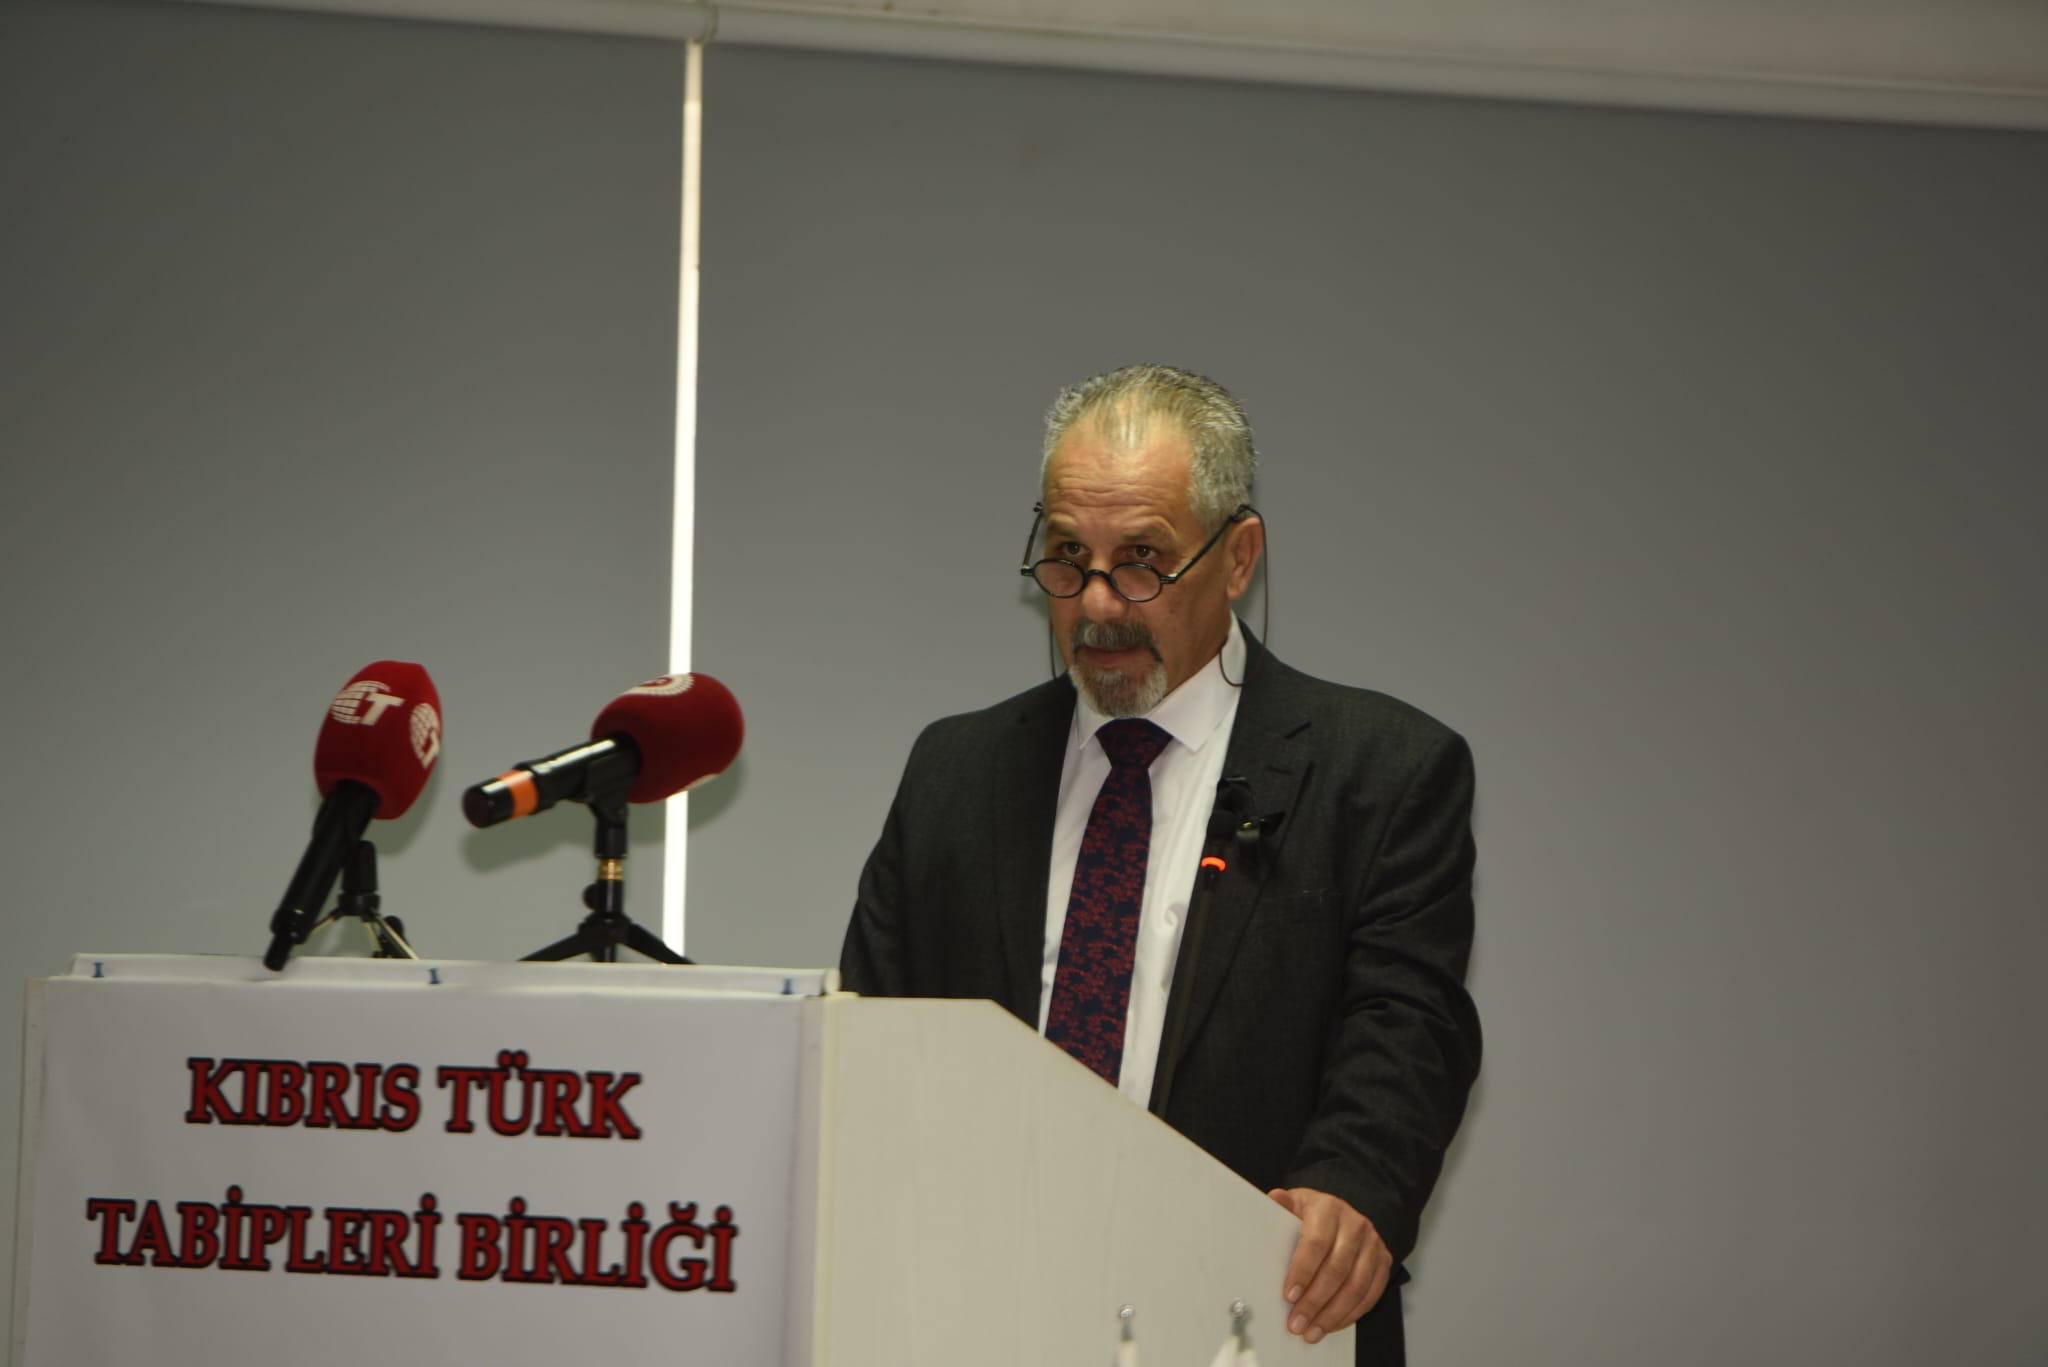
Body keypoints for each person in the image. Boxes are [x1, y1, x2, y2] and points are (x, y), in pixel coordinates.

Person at [840, 364, 1479, 1365]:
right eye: (1067, 556)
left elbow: (1410, 1023)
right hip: (985, 1316)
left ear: (1237, 556)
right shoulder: (955, 771)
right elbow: (873, 1044)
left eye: (1142, 560)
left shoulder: (1381, 771)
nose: (1097, 603)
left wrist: (1353, 1183)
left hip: (1254, 1319)